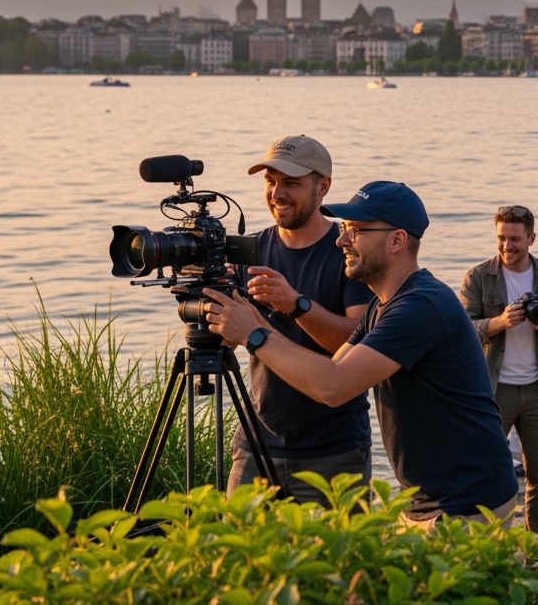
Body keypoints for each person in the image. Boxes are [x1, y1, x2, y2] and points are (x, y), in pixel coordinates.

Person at [203, 181, 518, 527]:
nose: (341, 240)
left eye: (355, 230)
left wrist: (254, 333)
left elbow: (334, 388)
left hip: (467, 503)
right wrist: (277, 310)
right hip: (429, 499)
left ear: (396, 240)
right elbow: (334, 368)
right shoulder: (383, 305)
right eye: (344, 229)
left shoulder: (419, 306)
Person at [230, 135, 374, 504]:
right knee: (238, 557)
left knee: (334, 562)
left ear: (323, 186)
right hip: (256, 445)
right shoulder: (250, 249)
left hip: (334, 450)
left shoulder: (350, 252)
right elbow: (227, 341)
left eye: (291, 183)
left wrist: (296, 305)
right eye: (270, 181)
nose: (277, 193)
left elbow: (357, 342)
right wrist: (211, 300)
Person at [461, 205, 538, 536]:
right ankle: (488, 544)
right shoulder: (479, 277)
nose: (507, 246)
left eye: (515, 239)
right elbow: (463, 328)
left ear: (531, 238)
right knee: (484, 473)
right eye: (502, 238)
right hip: (494, 390)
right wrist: (500, 322)